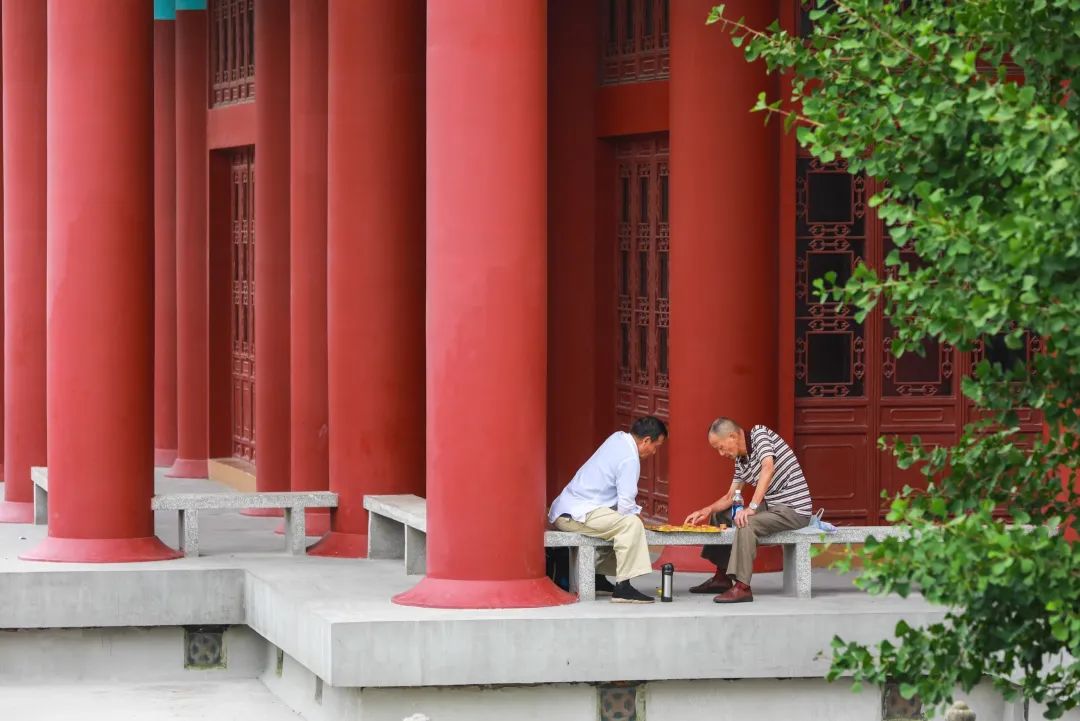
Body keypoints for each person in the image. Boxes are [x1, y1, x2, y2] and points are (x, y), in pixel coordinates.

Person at [684, 418, 812, 603]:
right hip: (772, 507)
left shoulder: (759, 434)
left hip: (793, 509)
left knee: (747, 522)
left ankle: (742, 586)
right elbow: (730, 497)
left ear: (733, 436)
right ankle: (722, 577)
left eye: (721, 447)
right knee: (721, 515)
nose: (721, 454)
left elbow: (768, 467)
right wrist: (706, 509)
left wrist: (751, 507)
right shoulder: (741, 461)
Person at [548, 416, 668, 604]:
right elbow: (627, 507)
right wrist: (639, 520)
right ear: (646, 441)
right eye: (656, 446)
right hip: (575, 515)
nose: (654, 452)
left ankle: (598, 577)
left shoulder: (618, 437)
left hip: (568, 510)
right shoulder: (630, 458)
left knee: (620, 522)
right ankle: (623, 587)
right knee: (630, 525)